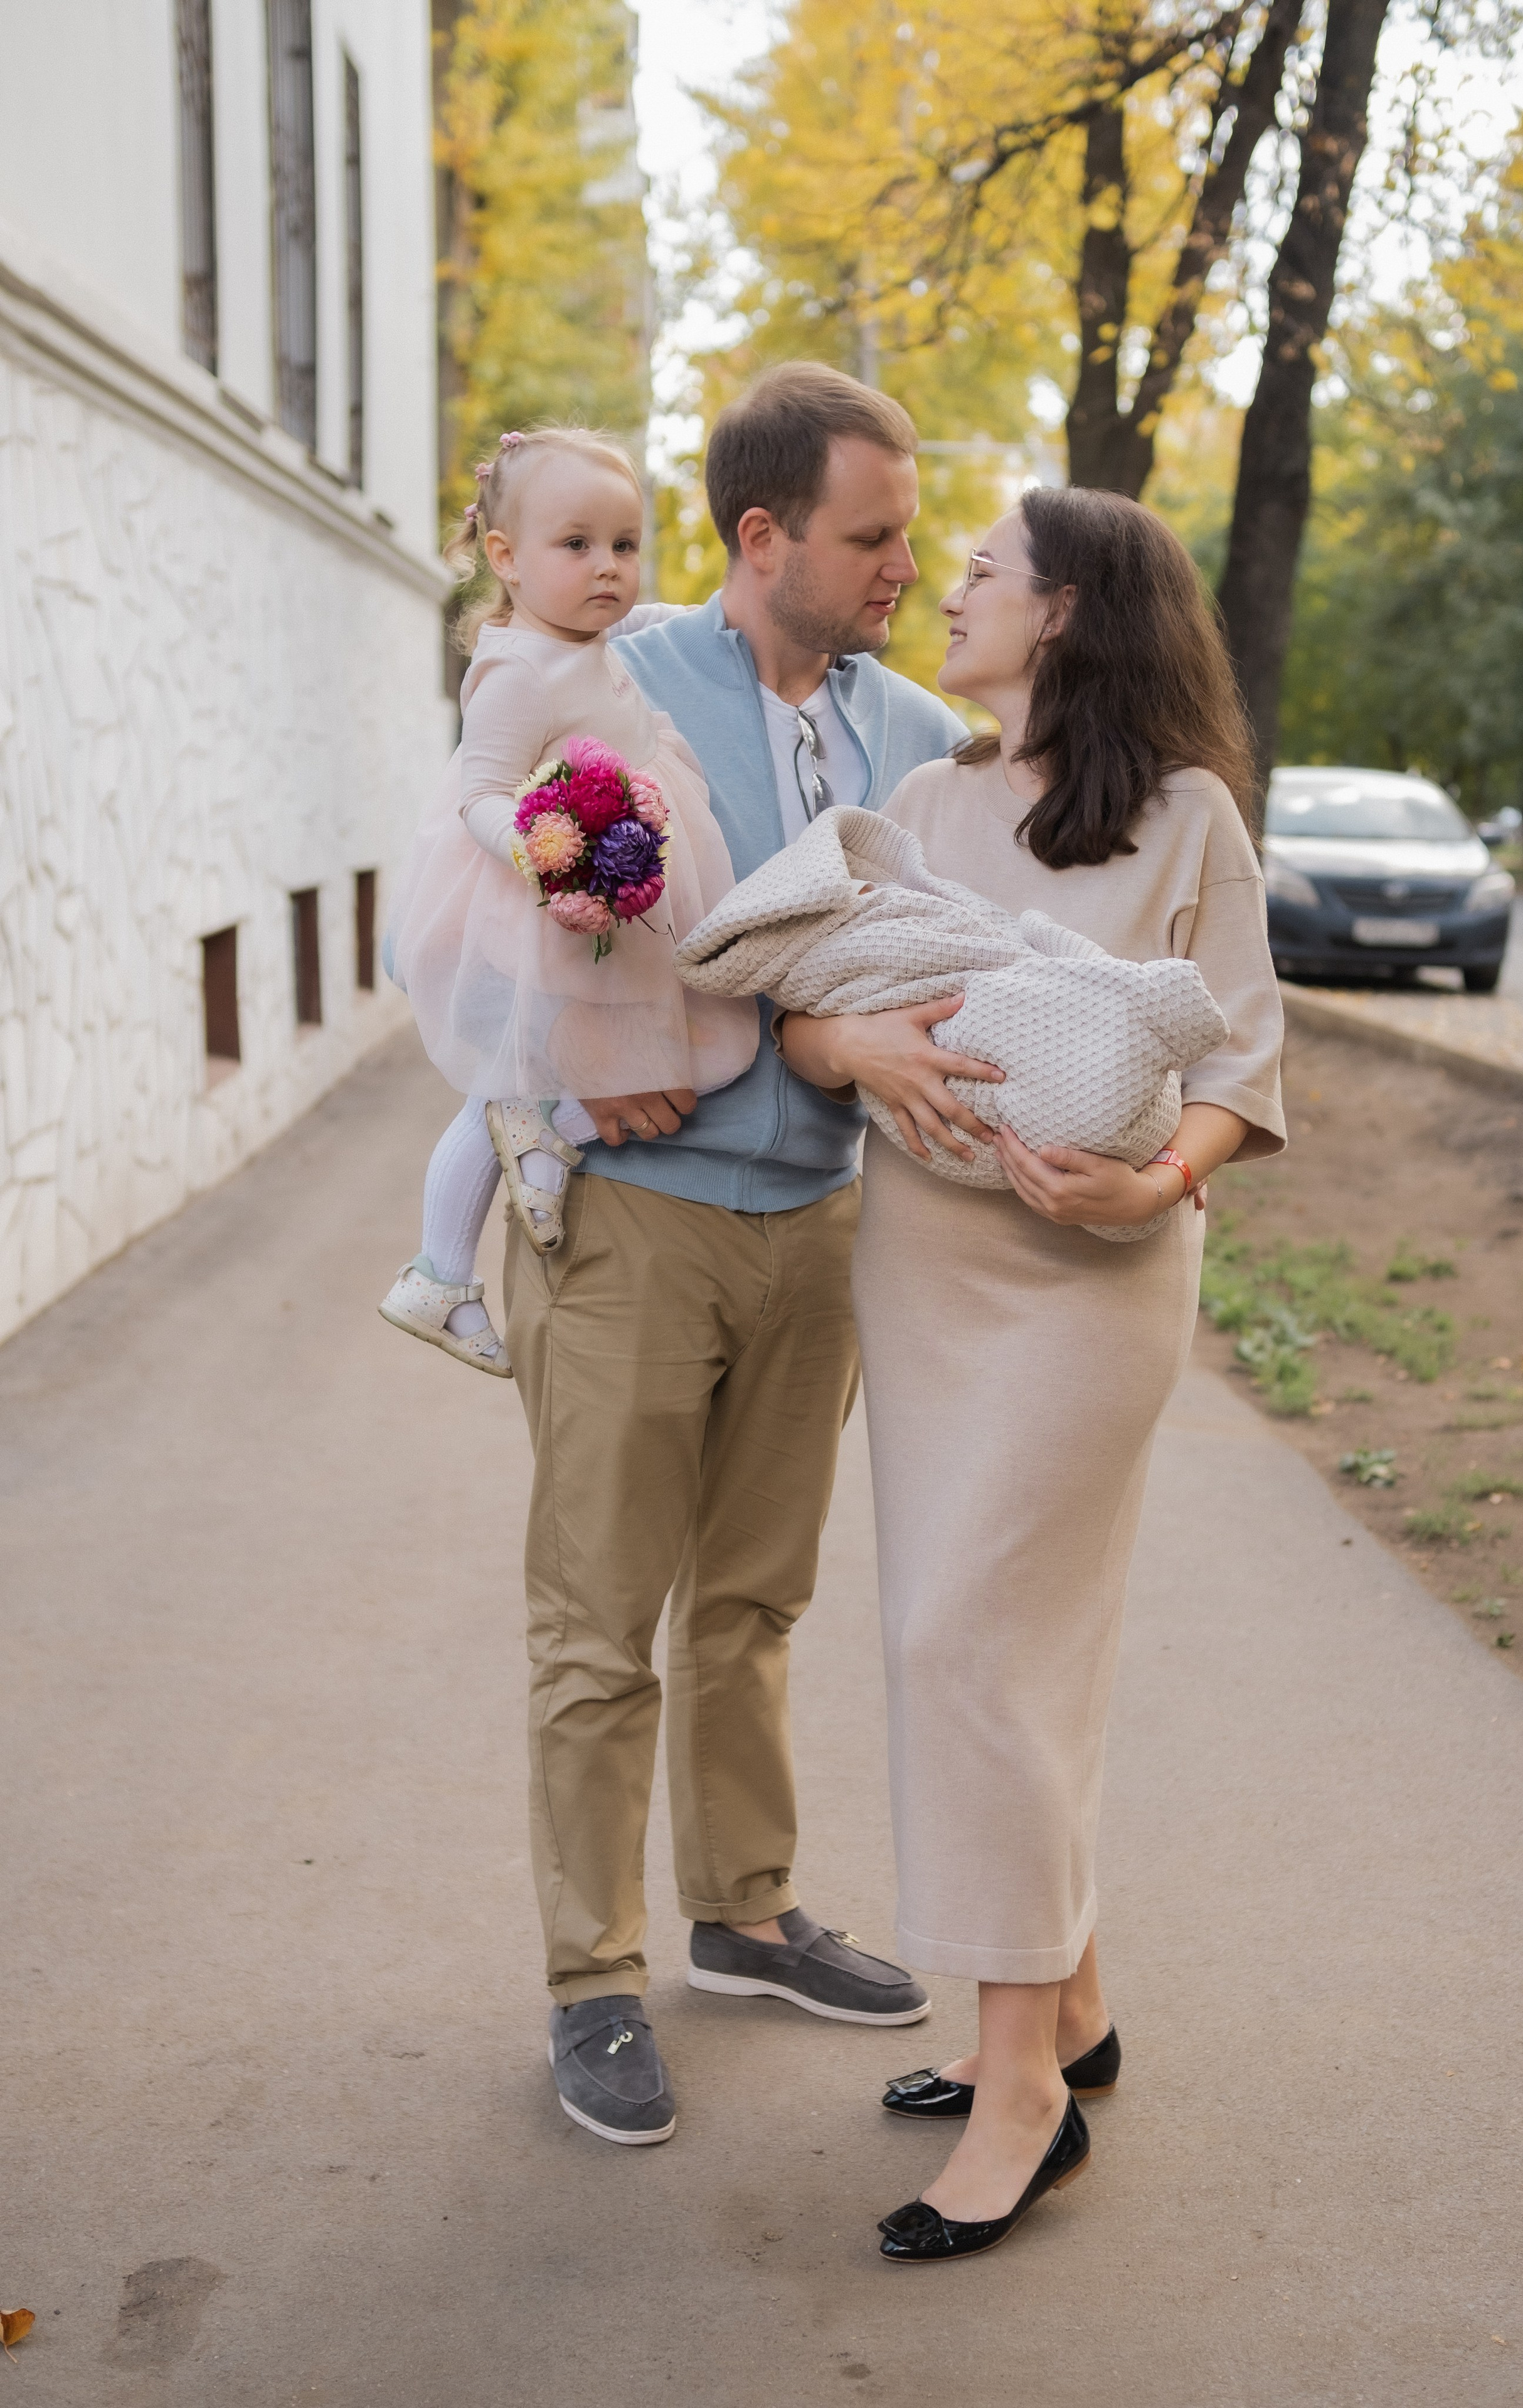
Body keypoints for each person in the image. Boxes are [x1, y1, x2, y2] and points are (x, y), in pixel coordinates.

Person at [779, 485, 1286, 2259]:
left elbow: (1243, 1049)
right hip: (925, 1267)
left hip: (1098, 1273)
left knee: (970, 1636)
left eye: (982, 572)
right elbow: (819, 986)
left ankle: (1020, 2095)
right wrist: (842, 1043)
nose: (948, 591)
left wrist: (1157, 1174)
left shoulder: (1189, 815)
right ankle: (1067, 2004)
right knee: (982, 1628)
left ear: (1068, 611)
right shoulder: (919, 802)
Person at [501, 364, 972, 2147]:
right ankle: (591, 1981)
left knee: (756, 1602)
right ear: (760, 535)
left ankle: (745, 1912)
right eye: (871, 537)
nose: (899, 567)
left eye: (915, 537)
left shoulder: (914, 734)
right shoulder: (616, 686)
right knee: (600, 1621)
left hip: (823, 1228)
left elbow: (938, 942)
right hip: (642, 1216)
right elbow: (542, 914)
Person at [380, 426, 756, 1376]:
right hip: (542, 899)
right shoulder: (515, 668)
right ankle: (443, 1267)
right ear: (504, 560)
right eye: (578, 545)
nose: (610, 569)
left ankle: (493, 1204)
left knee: (664, 1054)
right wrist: (545, 858)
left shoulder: (593, 634)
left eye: (625, 546)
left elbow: (672, 619)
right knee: (524, 1076)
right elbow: (479, 793)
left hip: (610, 891)